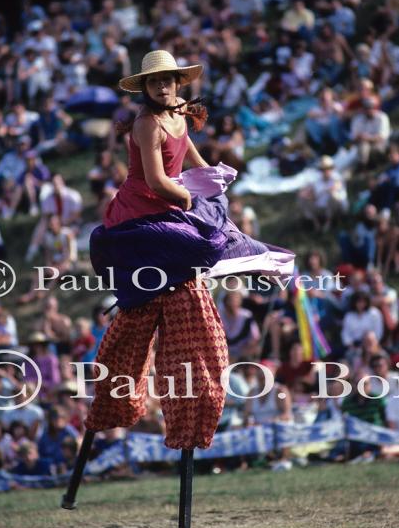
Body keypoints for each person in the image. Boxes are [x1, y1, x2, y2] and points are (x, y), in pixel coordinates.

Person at [84, 50, 295, 450]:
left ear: (179, 83)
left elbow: (195, 164)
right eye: (154, 81)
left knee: (222, 227)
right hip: (137, 220)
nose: (162, 86)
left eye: (168, 80)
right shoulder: (146, 124)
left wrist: (213, 188)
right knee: (205, 239)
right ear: (144, 87)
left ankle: (261, 261)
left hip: (169, 212)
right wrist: (192, 202)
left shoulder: (179, 115)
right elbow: (158, 181)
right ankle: (236, 259)